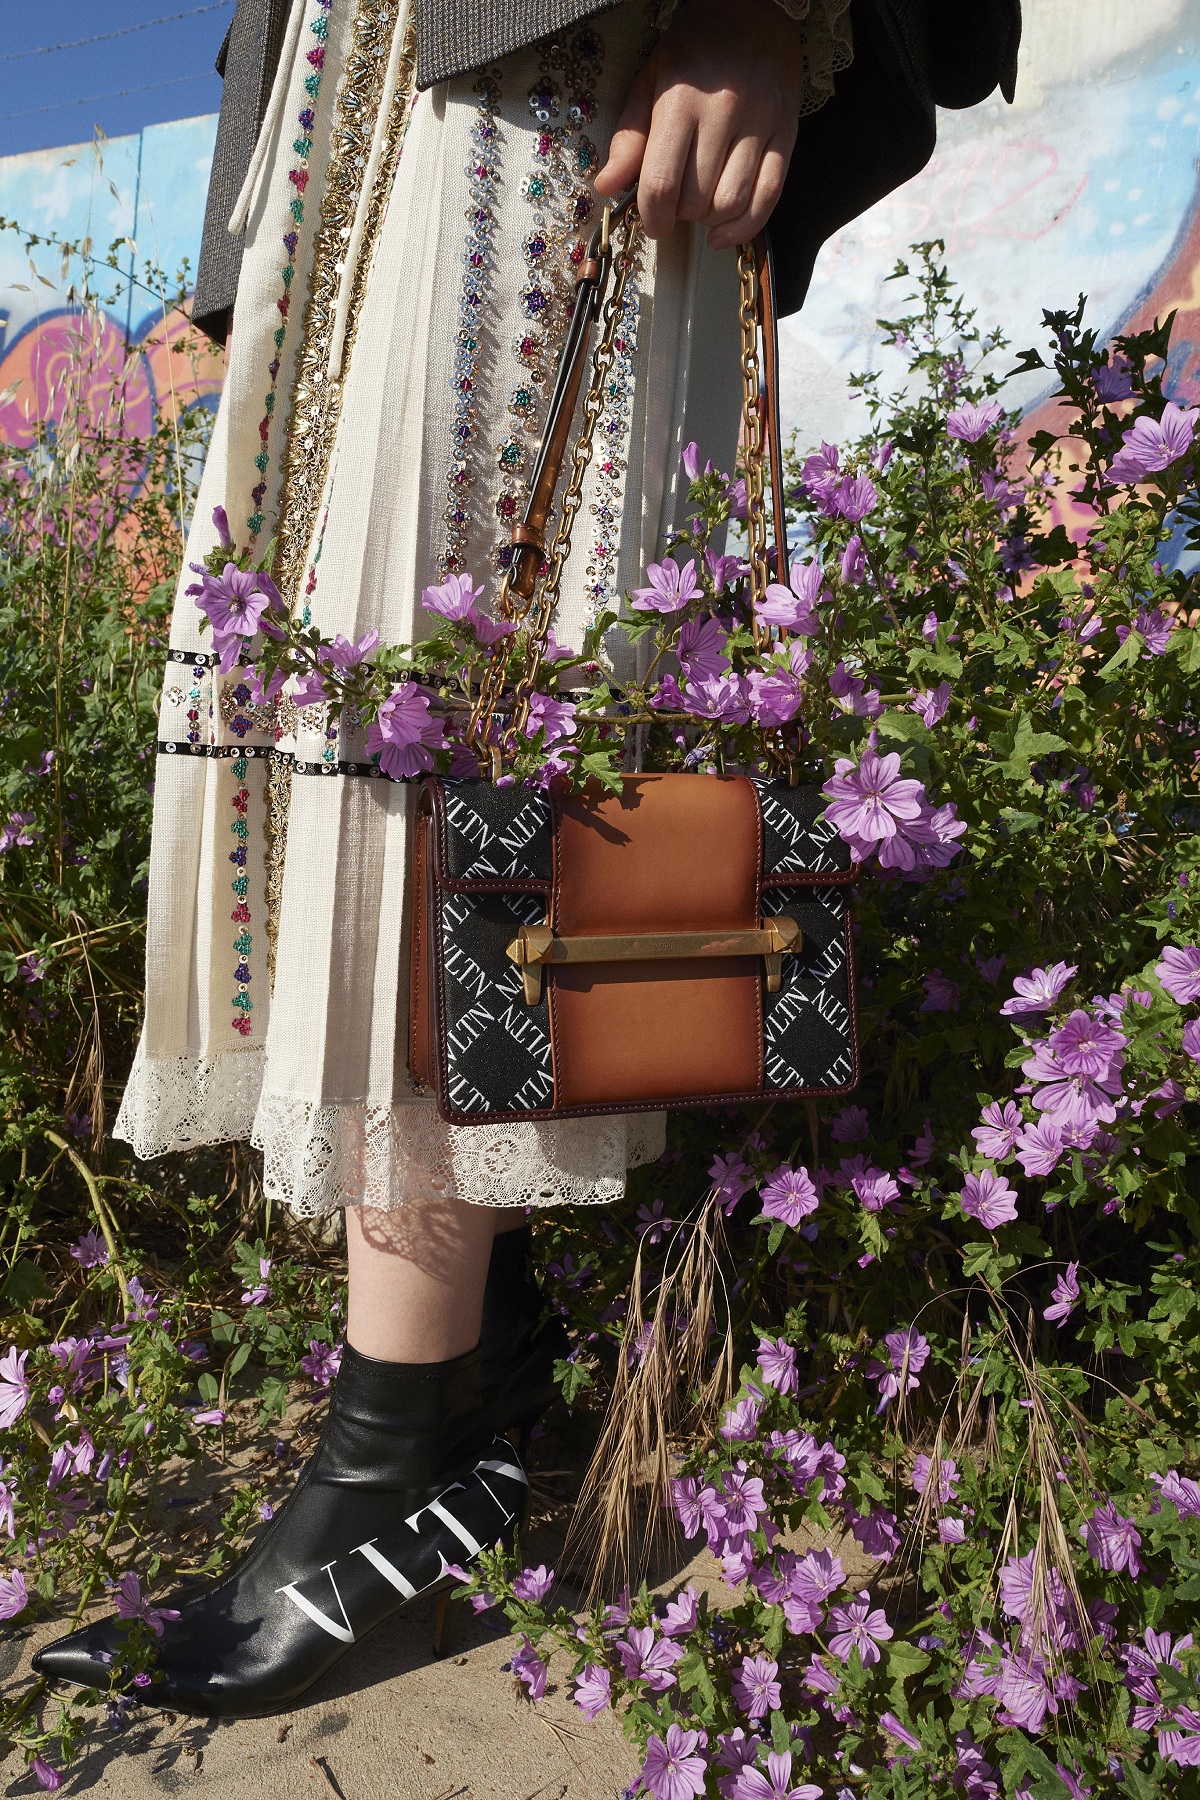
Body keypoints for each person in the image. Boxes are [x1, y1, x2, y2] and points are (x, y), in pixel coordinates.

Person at [35, 0, 1019, 1717]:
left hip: (573, 77)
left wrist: (774, 11)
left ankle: (391, 1456)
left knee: (458, 715)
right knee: (361, 690)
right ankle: (485, 1369)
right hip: (344, 104)